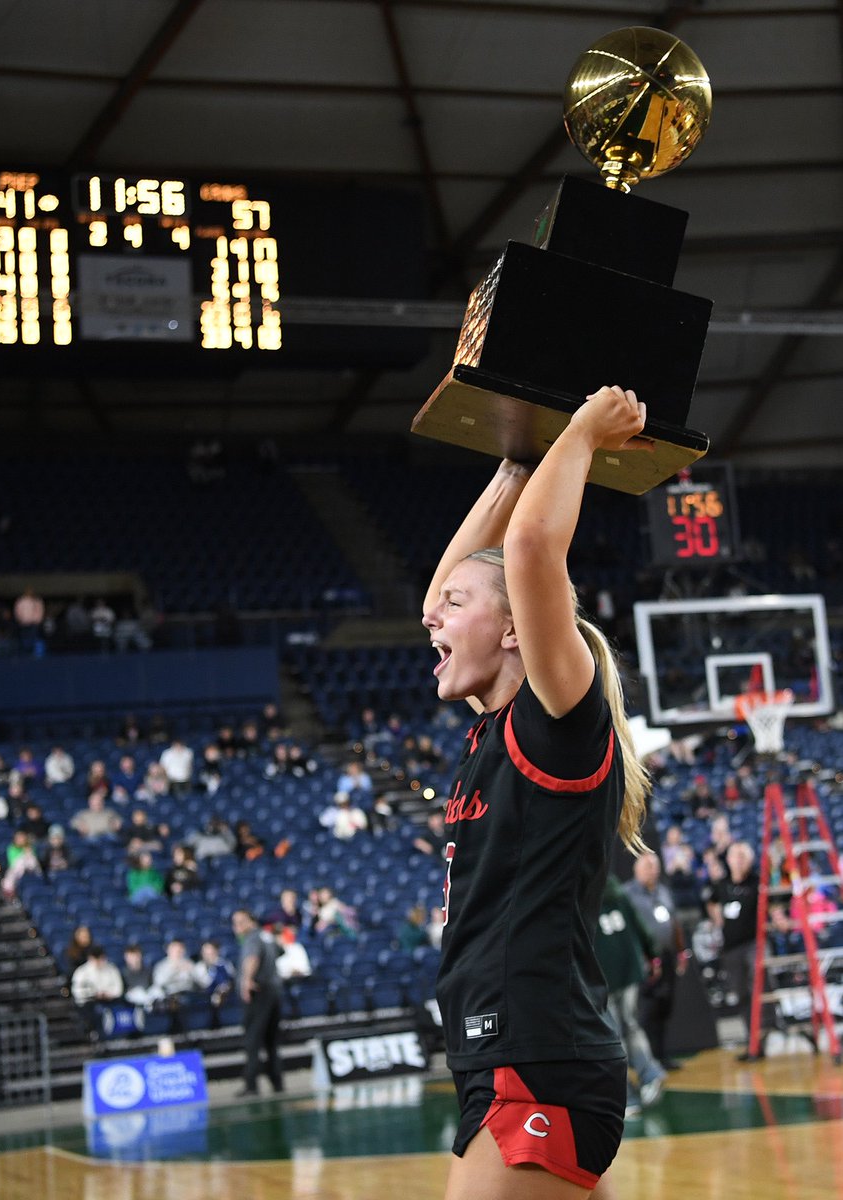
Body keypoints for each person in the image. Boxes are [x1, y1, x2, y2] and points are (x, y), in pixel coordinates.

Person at [421, 386, 655, 1199]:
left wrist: (584, 430)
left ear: (515, 628)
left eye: (456, 606)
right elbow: (454, 588)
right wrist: (517, 463)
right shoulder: (491, 724)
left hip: (538, 1056)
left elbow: (528, 552)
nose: (432, 619)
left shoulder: (556, 716)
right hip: (505, 1051)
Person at [594, 875, 668, 1119]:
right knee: (631, 1025)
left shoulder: (576, 893)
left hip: (601, 971)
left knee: (613, 1036)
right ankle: (650, 1073)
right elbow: (639, 923)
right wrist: (652, 953)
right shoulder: (615, 886)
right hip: (628, 968)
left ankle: (627, 1096)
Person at [624, 852, 689, 1070]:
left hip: (667, 957)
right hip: (644, 960)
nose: (652, 870)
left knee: (664, 1006)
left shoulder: (663, 891)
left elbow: (675, 923)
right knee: (646, 1010)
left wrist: (681, 951)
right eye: (647, 866)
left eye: (654, 866)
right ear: (637, 870)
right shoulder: (627, 894)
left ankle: (662, 1056)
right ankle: (646, 1060)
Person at [706, 840, 760, 1058]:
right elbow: (710, 901)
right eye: (735, 856)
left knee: (757, 984)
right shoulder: (723, 884)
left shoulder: (756, 882)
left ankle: (764, 1033)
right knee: (740, 993)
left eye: (743, 856)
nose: (738, 861)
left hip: (753, 943)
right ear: (728, 860)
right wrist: (716, 917)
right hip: (730, 948)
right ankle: (752, 1041)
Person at [232, 908, 284, 1096]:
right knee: (271, 1042)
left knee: (253, 1040)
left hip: (259, 992)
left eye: (239, 922)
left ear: (251, 922)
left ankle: (251, 1085)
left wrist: (247, 981)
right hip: (274, 991)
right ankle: (277, 1084)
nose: (236, 927)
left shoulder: (253, 938)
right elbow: (281, 950)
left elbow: (252, 958)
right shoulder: (267, 936)